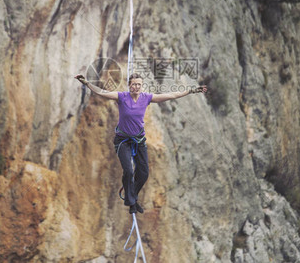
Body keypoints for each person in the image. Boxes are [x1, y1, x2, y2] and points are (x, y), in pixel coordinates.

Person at [75, 73, 207, 214]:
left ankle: (132, 196)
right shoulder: (122, 97)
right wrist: (87, 83)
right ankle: (131, 202)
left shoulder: (146, 98)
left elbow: (172, 95)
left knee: (143, 173)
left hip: (138, 140)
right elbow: (103, 92)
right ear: (129, 85)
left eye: (139, 84)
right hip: (123, 141)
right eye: (134, 84)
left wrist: (192, 90)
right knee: (129, 171)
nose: (136, 87)